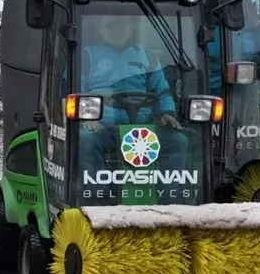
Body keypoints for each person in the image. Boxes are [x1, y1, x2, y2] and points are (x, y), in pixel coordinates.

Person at [78, 18, 189, 176]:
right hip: (102, 127)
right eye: (111, 26)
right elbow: (76, 90)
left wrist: (166, 113)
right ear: (99, 28)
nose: (118, 31)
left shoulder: (146, 56)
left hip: (143, 127)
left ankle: (169, 196)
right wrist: (87, 117)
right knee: (86, 140)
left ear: (130, 27)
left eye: (122, 25)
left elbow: (161, 90)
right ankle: (94, 194)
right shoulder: (86, 56)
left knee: (178, 141)